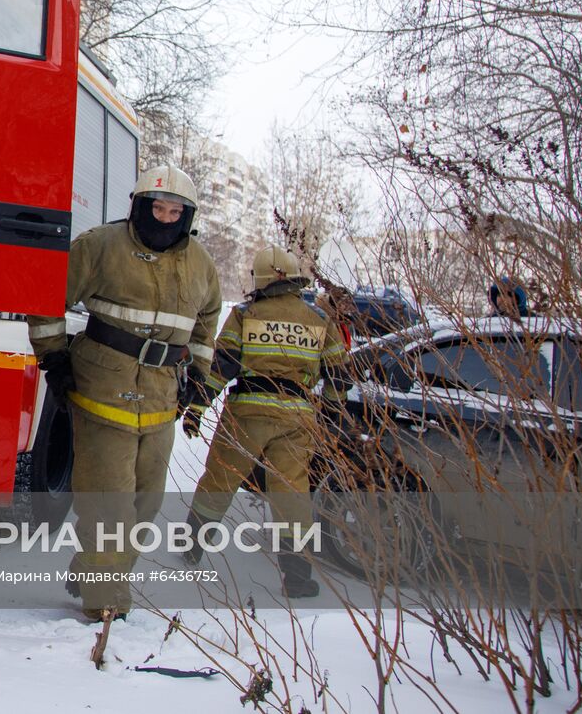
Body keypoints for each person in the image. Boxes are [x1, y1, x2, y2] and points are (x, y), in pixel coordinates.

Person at [27, 165, 221, 620]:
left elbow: (207, 323)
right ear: (140, 205)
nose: (166, 218)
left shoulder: (201, 265)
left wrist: (200, 378)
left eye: (176, 211)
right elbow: (45, 295)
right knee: (109, 507)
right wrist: (53, 358)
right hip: (102, 392)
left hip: (160, 400)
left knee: (144, 507)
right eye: (158, 208)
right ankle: (106, 603)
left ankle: (92, 570)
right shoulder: (100, 246)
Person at [178, 246, 350, 599]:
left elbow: (221, 366)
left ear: (261, 279)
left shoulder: (245, 314)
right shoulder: (319, 318)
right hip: (296, 417)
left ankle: (191, 547)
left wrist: (197, 409)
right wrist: (331, 416)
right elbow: (340, 375)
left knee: (219, 480)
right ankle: (298, 577)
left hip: (247, 413)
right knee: (292, 494)